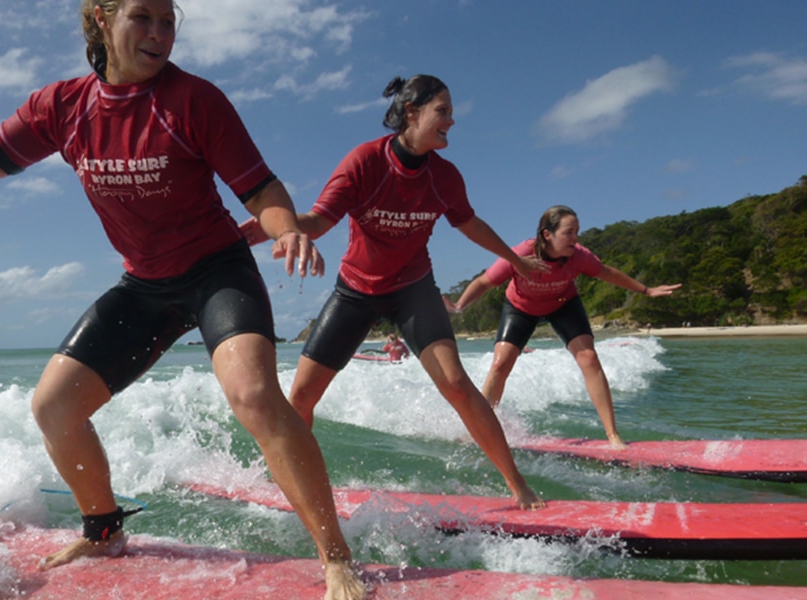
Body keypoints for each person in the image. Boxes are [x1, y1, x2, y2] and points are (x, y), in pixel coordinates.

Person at [0, 2, 366, 598]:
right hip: (144, 286)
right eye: (142, 17)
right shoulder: (63, 107)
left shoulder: (194, 101)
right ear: (102, 17)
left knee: (254, 395)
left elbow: (259, 187)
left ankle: (336, 557)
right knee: (54, 408)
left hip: (216, 273)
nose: (158, 34)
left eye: (168, 21)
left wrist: (288, 230)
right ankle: (103, 531)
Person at [242, 74, 546, 510]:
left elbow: (470, 225)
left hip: (413, 289)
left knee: (458, 384)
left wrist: (516, 261)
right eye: (443, 111)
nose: (451, 121)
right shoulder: (365, 161)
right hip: (356, 290)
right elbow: (320, 220)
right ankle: (279, 481)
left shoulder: (445, 177)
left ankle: (518, 485)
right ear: (411, 113)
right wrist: (280, 227)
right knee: (302, 396)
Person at [446, 205, 681, 449]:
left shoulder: (578, 256)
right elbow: (485, 281)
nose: (575, 238)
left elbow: (607, 273)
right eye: (569, 232)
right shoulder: (522, 254)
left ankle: (613, 436)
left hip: (563, 304)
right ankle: (479, 431)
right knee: (500, 364)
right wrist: (459, 305)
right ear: (547, 234)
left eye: (577, 232)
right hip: (520, 308)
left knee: (589, 358)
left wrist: (646, 290)